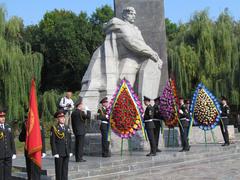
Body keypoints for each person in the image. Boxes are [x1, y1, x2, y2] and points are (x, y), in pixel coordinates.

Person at [19, 110, 46, 180]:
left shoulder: (39, 124)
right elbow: (21, 138)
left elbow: (42, 138)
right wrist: (26, 131)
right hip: (29, 150)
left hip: (37, 150)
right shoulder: (26, 124)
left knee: (36, 170)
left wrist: (43, 151)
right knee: (30, 170)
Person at [50, 110, 72, 180]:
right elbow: (52, 141)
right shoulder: (54, 128)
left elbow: (69, 140)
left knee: (65, 170)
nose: (63, 118)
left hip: (66, 151)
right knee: (59, 170)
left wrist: (70, 150)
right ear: (58, 119)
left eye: (63, 117)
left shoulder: (67, 127)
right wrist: (55, 152)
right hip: (59, 152)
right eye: (61, 117)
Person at [71, 97, 90, 162]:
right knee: (80, 145)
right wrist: (88, 110)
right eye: (82, 105)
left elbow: (72, 123)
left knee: (77, 145)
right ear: (79, 106)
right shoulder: (81, 113)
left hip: (76, 131)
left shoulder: (73, 113)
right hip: (81, 131)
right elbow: (88, 117)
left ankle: (77, 158)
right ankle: (79, 158)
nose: (83, 106)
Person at [0, 107, 16, 180]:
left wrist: (14, 152)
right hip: (0, 155)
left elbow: (11, 140)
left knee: (8, 175)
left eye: (3, 116)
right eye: (1, 117)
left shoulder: (8, 127)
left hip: (8, 155)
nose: (3, 118)